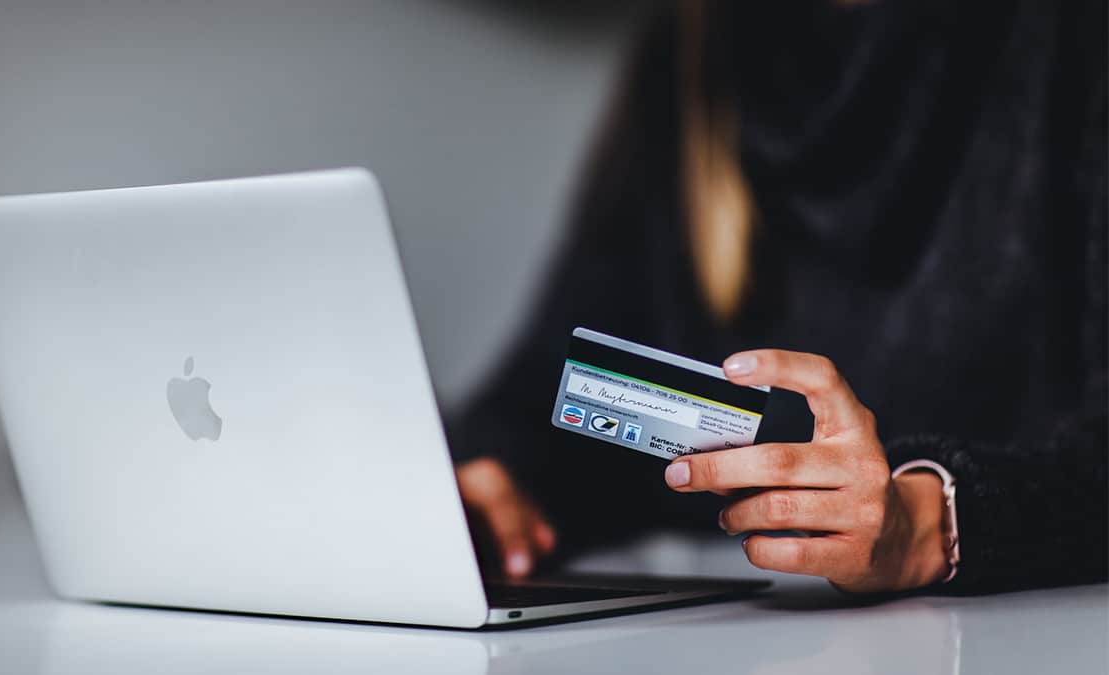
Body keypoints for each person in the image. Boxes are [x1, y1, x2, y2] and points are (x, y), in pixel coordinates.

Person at [447, 0, 1107, 594]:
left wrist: (934, 521)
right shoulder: (695, 45)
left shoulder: (1069, 35)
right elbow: (554, 391)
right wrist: (489, 484)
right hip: (725, 637)